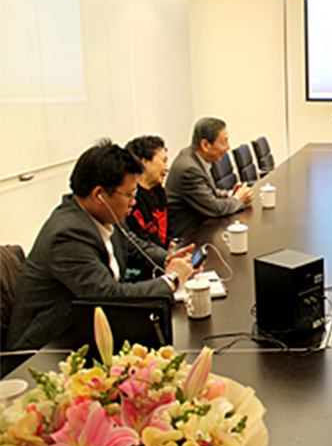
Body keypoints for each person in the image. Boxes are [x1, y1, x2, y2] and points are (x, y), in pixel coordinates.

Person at [7, 140, 196, 350]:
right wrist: (171, 279)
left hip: (90, 330)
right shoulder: (68, 234)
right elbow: (108, 296)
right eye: (129, 194)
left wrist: (169, 259)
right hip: (48, 348)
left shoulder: (105, 214)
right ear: (99, 195)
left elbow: (133, 246)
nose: (133, 202)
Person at [165, 117, 253, 238]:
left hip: (203, 226)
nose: (228, 147)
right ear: (205, 145)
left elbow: (207, 192)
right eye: (223, 142)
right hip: (189, 236)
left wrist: (230, 194)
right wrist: (238, 200)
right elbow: (215, 209)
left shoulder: (195, 157)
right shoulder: (189, 170)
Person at [125, 135, 170, 279]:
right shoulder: (128, 203)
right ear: (144, 162)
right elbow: (136, 251)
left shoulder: (159, 191)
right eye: (163, 161)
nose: (167, 168)